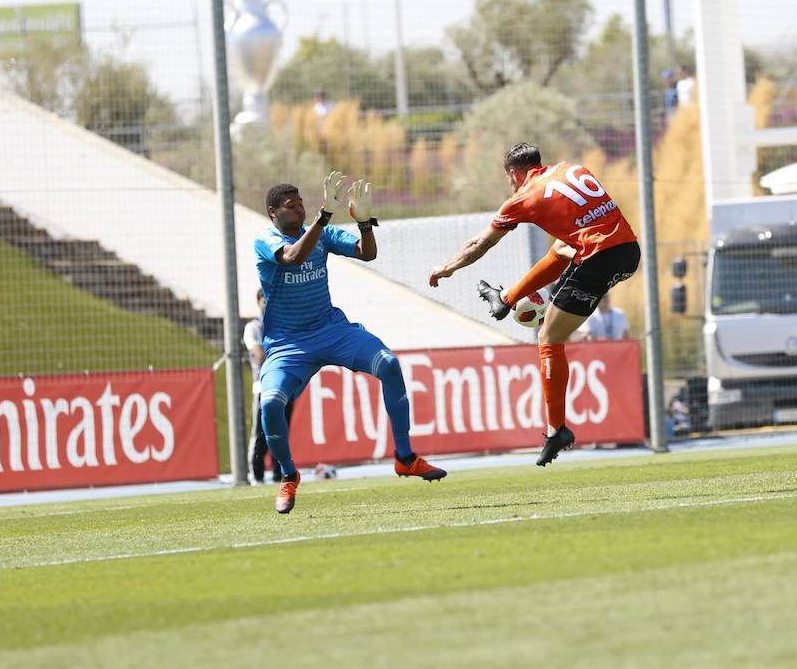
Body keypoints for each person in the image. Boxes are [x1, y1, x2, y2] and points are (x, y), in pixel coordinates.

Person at [429, 143, 640, 467]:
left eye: (509, 180)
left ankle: (557, 429)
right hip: (627, 250)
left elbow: (479, 243)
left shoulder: (524, 196)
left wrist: (449, 266)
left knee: (549, 340)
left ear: (514, 174)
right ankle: (507, 299)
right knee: (562, 246)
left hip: (599, 259)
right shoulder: (571, 168)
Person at [257, 171, 446, 514]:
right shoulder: (266, 241)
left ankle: (405, 457)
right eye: (290, 206)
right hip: (288, 344)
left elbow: (366, 253)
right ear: (273, 212)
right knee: (270, 403)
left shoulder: (322, 233)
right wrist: (323, 216)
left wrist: (363, 224)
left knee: (388, 364)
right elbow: (292, 258)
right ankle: (288, 476)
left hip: (331, 330)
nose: (298, 210)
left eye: (302, 204)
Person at [244, 288, 289, 485]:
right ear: (259, 302)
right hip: (263, 387)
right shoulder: (253, 327)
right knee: (260, 433)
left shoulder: (282, 324)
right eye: (265, 300)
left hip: (284, 386)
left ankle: (280, 474)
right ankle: (256, 474)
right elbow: (260, 356)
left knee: (282, 430)